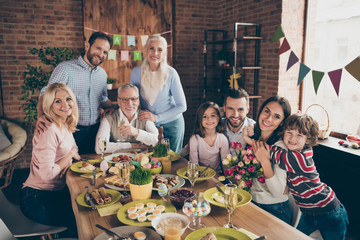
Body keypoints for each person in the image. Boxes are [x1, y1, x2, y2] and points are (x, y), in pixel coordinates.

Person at [253, 113, 349, 240]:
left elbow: (268, 151)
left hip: (329, 211)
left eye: (299, 135)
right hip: (307, 212)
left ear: (308, 139)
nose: (293, 138)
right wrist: (289, 183)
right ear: (284, 133)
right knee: (293, 236)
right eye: (289, 132)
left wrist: (249, 139)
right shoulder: (293, 154)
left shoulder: (301, 158)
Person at [37, 31, 117, 154]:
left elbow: (102, 99)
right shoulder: (65, 68)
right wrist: (41, 115)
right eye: (98, 48)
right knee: (70, 167)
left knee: (92, 167)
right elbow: (46, 93)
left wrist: (115, 107)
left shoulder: (102, 74)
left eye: (105, 52)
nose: (101, 54)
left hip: (95, 130)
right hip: (70, 130)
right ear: (87, 46)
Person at [21, 83, 80, 237]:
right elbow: (47, 174)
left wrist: (68, 160)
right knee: (79, 222)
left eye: (68, 99)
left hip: (54, 193)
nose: (65, 105)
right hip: (36, 197)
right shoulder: (48, 129)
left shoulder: (64, 124)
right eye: (57, 101)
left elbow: (75, 150)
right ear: (49, 105)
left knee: (83, 209)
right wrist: (68, 158)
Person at [130, 35, 187, 154]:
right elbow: (132, 99)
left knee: (172, 160)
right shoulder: (136, 73)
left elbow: (182, 106)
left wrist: (156, 118)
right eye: (151, 48)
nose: (155, 53)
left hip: (172, 125)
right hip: (149, 126)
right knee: (151, 159)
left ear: (164, 53)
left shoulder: (171, 73)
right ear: (145, 50)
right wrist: (114, 108)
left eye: (160, 49)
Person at [242, 96, 292, 224]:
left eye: (276, 116)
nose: (268, 118)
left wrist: (265, 161)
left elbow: (277, 192)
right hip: (251, 202)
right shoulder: (255, 137)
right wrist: (247, 139)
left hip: (273, 209)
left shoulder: (280, 147)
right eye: (267, 111)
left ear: (282, 122)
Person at [95, 84, 158, 154]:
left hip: (142, 161)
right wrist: (130, 145)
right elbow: (99, 148)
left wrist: (136, 132)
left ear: (138, 101)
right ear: (118, 102)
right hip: (117, 162)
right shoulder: (108, 118)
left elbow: (157, 141)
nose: (130, 104)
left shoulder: (145, 116)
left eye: (133, 99)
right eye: (125, 99)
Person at [189, 102, 229, 173]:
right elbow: (194, 165)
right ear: (200, 120)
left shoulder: (222, 139)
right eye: (204, 116)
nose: (209, 119)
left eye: (213, 115)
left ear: (219, 118)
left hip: (217, 174)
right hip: (200, 175)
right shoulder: (194, 139)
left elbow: (225, 164)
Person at [222, 88, 255, 154]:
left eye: (240, 109)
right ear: (224, 108)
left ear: (247, 109)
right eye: (231, 109)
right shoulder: (216, 125)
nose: (235, 115)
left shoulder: (256, 128)